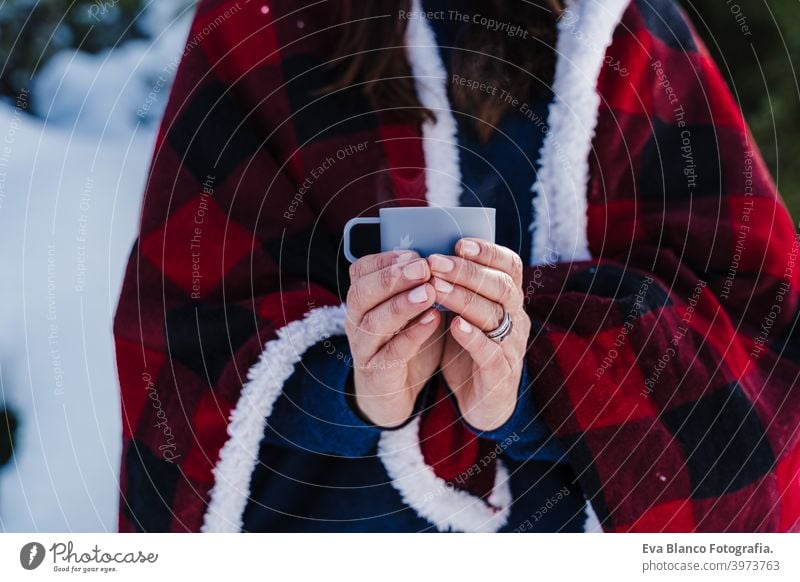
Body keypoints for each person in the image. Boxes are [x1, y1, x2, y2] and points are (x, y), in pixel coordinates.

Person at [113, 0, 800, 532]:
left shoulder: (623, 27)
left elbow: (754, 317)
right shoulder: (262, 21)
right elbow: (184, 335)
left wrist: (532, 382)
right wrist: (353, 389)